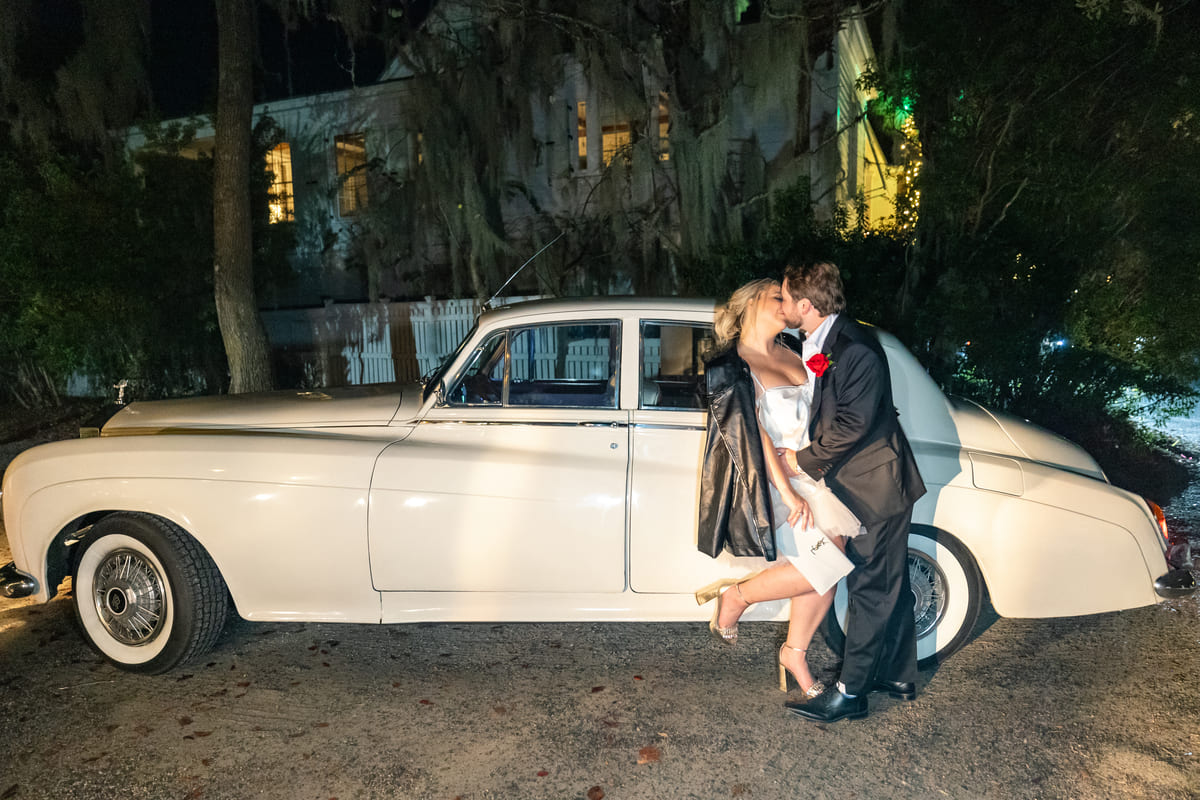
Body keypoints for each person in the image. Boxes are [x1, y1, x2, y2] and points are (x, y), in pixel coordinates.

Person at [695, 278, 866, 699]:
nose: (788, 306)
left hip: (812, 470)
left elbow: (831, 389)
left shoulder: (799, 352)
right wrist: (789, 495)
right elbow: (754, 434)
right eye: (779, 298)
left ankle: (795, 652)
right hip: (772, 480)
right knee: (829, 561)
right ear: (753, 301)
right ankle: (738, 597)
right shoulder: (735, 364)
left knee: (830, 564)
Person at [775, 261, 927, 723]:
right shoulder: (825, 342)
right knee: (889, 584)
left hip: (876, 483)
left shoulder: (855, 346)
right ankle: (899, 674)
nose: (780, 305)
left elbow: (853, 424)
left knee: (871, 588)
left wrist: (798, 461)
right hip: (862, 481)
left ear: (806, 305)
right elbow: (825, 395)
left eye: (784, 298)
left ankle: (851, 693)